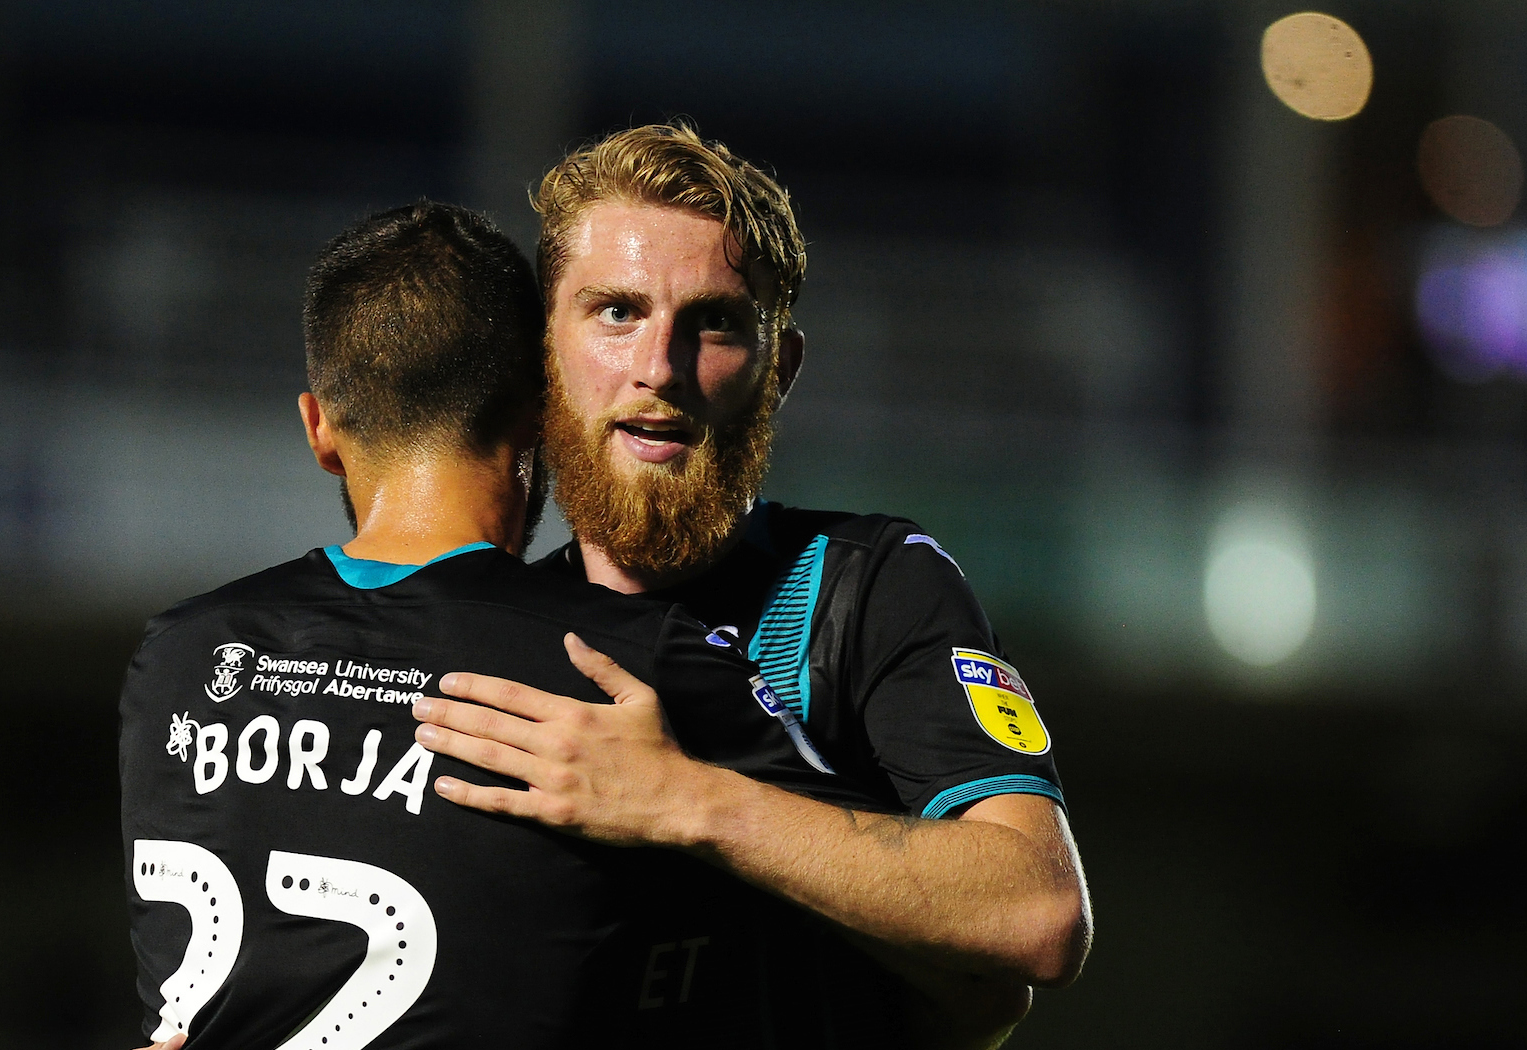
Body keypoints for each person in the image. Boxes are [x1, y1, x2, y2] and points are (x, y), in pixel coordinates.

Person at [118, 201, 877, 1050]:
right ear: (543, 411)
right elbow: (962, 927)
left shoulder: (177, 655)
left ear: (320, 429)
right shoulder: (620, 664)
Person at [411, 122, 1093, 1045]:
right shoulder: (490, 640)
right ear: (544, 352)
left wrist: (683, 801)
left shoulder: (869, 585)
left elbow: (1038, 912)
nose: (659, 368)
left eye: (715, 323)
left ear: (782, 369)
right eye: (617, 311)